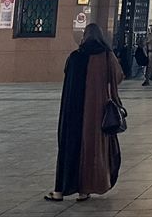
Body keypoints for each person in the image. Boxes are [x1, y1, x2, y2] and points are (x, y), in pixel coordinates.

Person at [47, 24, 123, 203]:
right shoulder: (106, 56)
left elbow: (68, 80)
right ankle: (85, 190)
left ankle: (60, 190)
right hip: (96, 112)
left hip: (72, 112)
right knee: (91, 148)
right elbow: (119, 76)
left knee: (69, 147)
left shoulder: (75, 57)